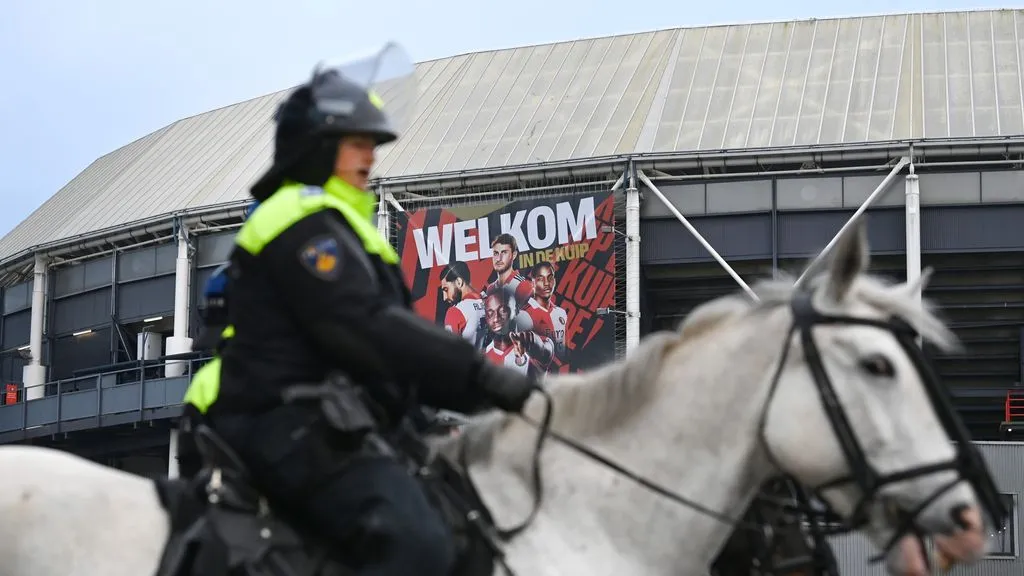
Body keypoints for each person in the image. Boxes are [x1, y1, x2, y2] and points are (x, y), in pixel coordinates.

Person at [181, 61, 535, 576]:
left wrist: (437, 416)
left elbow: (382, 357)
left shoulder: (346, 225)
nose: (371, 154)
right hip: (286, 419)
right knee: (417, 543)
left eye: (372, 143)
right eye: (356, 142)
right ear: (317, 146)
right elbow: (362, 327)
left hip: (334, 419)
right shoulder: (298, 219)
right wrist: (479, 374)